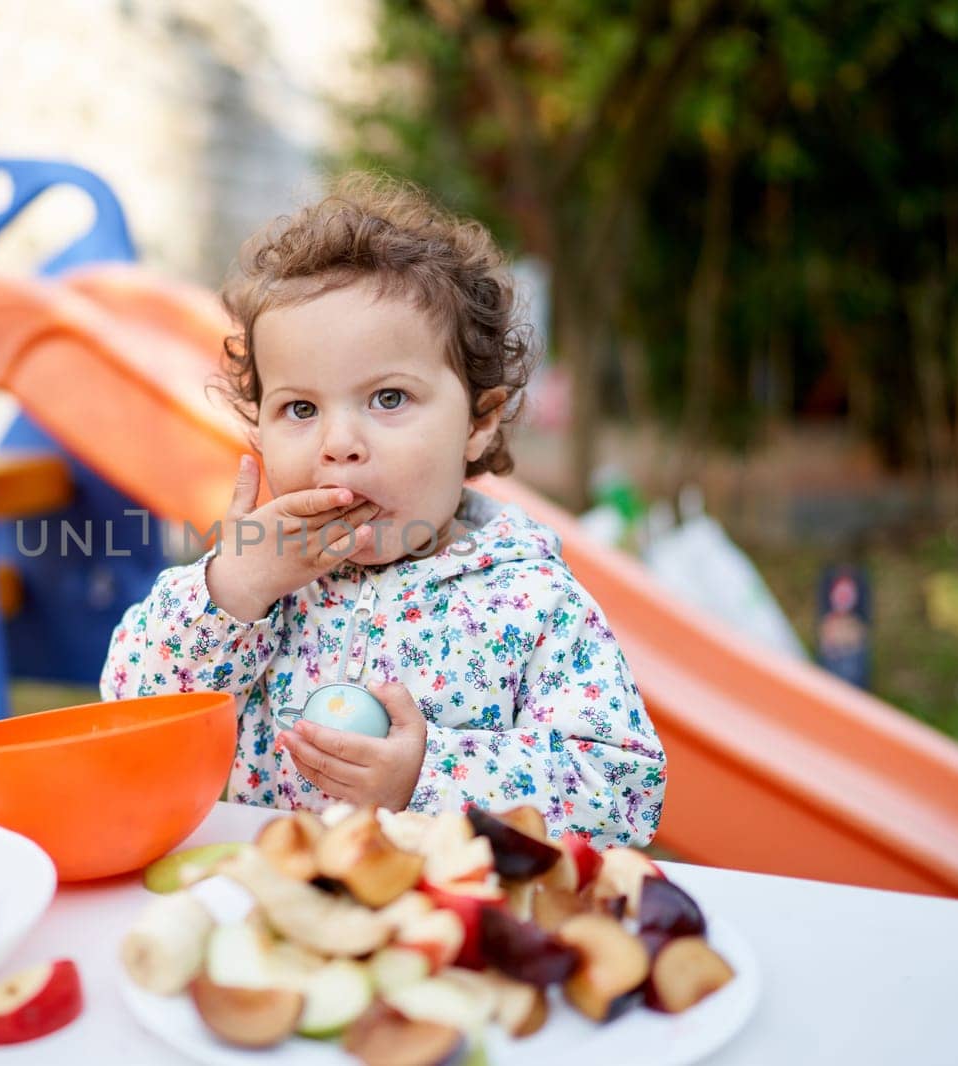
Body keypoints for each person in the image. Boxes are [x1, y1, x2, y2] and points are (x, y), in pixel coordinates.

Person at [99, 175, 664, 845]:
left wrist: (428, 776)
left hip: (455, 931)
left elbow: (623, 790)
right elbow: (131, 720)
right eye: (301, 409)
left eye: (389, 398)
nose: (339, 445)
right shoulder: (259, 588)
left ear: (480, 422)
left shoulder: (534, 602)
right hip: (280, 916)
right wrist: (232, 589)